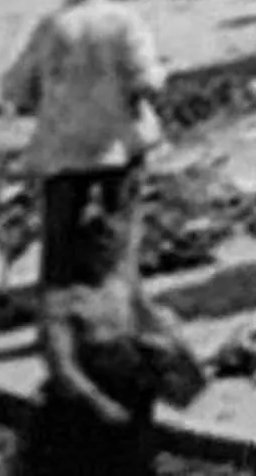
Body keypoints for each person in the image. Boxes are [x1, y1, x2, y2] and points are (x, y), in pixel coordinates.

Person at [3, 0, 167, 289]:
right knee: (118, 229)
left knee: (59, 236)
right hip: (116, 143)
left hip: (62, 145)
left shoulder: (53, 25)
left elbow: (17, 88)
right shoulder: (125, 22)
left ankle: (58, 303)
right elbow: (147, 81)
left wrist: (44, 104)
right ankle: (116, 296)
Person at [20, 203, 204, 476]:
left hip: (129, 388)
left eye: (109, 242)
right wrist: (100, 403)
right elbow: (63, 366)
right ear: (80, 250)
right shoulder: (63, 299)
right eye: (95, 244)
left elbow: (151, 318)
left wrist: (180, 354)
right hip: (84, 401)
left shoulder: (122, 285)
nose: (104, 250)